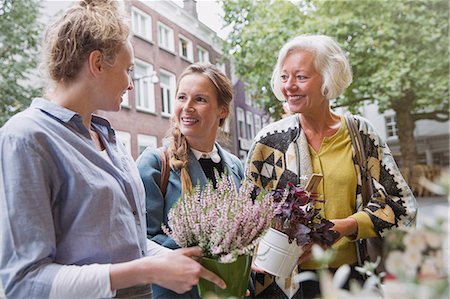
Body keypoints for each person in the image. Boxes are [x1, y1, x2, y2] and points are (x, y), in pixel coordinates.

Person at [0, 1, 226, 298]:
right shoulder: (26, 139)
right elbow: (23, 282)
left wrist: (168, 259)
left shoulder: (110, 139)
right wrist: (148, 270)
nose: (131, 84)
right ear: (96, 64)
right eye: (128, 69)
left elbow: (126, 242)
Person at [246, 34, 417, 298]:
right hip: (283, 286)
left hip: (352, 279)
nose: (289, 86)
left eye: (301, 77)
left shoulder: (361, 134)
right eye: (284, 77)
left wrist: (347, 226)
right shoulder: (269, 143)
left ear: (327, 79)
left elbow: (400, 205)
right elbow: (245, 216)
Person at [137, 63, 244, 299]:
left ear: (222, 110)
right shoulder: (155, 164)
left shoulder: (236, 166)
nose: (187, 107)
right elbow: (138, 240)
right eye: (181, 97)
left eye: (200, 100)